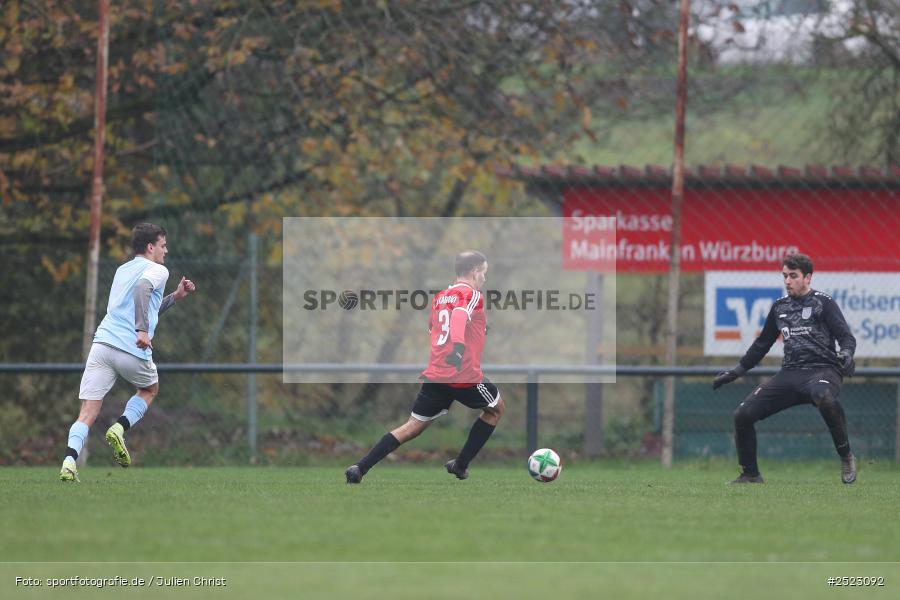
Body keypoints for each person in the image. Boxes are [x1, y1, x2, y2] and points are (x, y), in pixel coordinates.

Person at [345, 250, 505, 483]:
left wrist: (474, 333)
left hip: (436, 374)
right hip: (463, 374)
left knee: (412, 427)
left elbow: (436, 329)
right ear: (475, 271)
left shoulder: (441, 297)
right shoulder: (471, 294)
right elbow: (459, 317)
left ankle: (359, 468)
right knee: (497, 409)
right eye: (484, 273)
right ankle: (460, 465)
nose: (484, 279)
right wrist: (459, 348)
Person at [59, 223, 196, 482]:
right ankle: (120, 428)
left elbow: (143, 304)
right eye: (163, 246)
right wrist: (142, 331)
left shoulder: (122, 270)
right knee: (149, 389)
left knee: (87, 412)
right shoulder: (158, 270)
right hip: (131, 346)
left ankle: (68, 462)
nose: (166, 251)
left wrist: (176, 297)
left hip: (102, 345)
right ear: (150, 247)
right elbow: (142, 291)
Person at [713, 253, 857, 484]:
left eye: (793, 276)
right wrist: (736, 372)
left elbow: (846, 337)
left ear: (808, 277)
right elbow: (762, 345)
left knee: (824, 397)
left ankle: (846, 456)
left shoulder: (824, 303)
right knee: (742, 415)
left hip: (822, 371)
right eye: (784, 276)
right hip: (790, 374)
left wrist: (847, 354)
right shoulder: (779, 307)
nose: (787, 281)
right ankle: (750, 474)